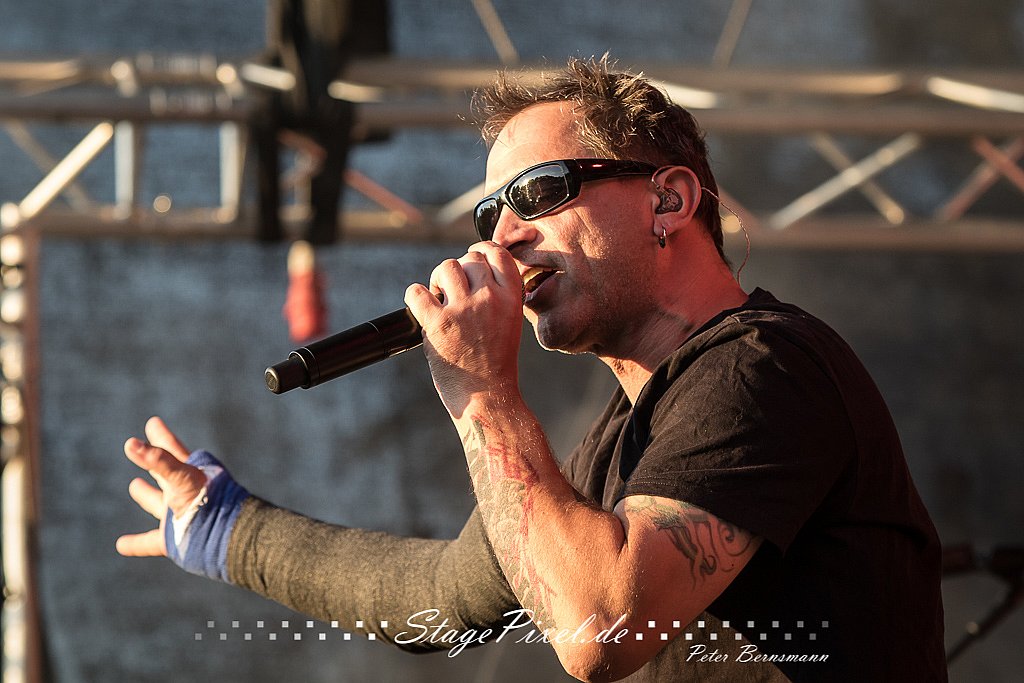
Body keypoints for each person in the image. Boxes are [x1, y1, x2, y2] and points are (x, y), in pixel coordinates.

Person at [117, 57, 947, 682]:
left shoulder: (764, 364)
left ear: (668, 200)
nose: (502, 237)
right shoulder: (615, 445)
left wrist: (481, 391)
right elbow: (442, 597)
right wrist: (232, 530)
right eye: (490, 213)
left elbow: (599, 627)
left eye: (541, 192)